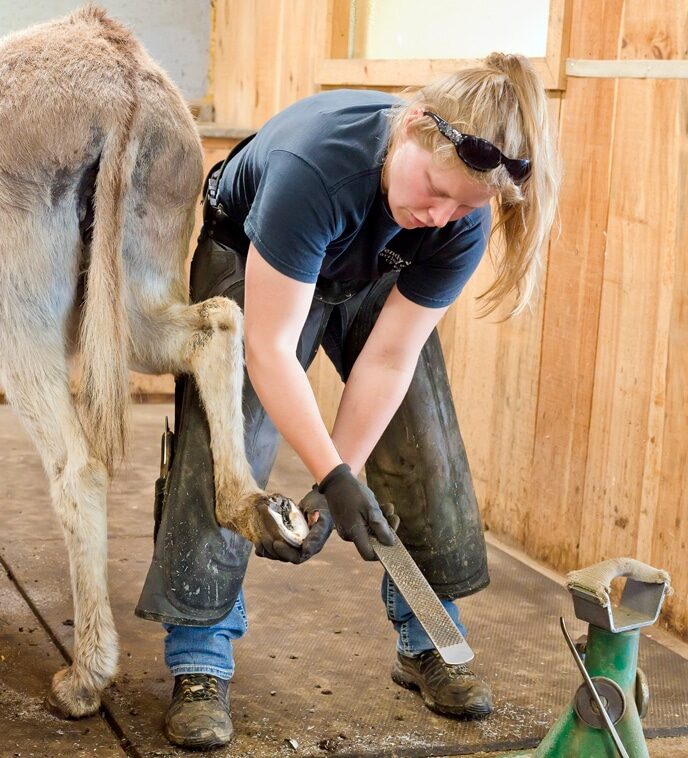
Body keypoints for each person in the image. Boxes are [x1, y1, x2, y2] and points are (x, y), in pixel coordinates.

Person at [135, 52, 559, 750]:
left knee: (425, 430)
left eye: (464, 205)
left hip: (369, 267)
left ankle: (428, 640)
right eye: (434, 189)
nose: (439, 214)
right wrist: (330, 474)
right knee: (230, 427)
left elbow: (390, 357)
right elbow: (269, 349)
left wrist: (345, 476)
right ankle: (199, 661)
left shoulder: (457, 217)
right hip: (253, 250)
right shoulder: (320, 167)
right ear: (415, 127)